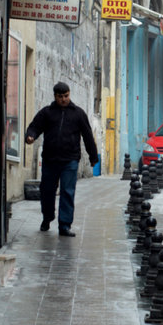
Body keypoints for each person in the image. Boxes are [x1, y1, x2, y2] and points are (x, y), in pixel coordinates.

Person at [25, 82, 99, 237]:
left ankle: (64, 225)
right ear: (55, 97)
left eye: (66, 96)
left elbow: (87, 136)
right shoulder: (47, 113)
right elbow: (35, 126)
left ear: (69, 94)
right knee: (47, 191)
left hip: (70, 160)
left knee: (67, 191)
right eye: (60, 97)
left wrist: (93, 156)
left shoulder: (78, 114)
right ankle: (47, 217)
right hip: (50, 160)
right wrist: (30, 136)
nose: (64, 99)